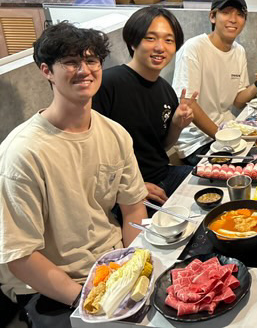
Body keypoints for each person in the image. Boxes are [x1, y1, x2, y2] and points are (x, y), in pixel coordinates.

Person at [0, 22, 147, 327]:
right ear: (47, 71)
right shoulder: (22, 153)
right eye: (70, 62)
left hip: (112, 265)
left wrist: (133, 267)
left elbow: (133, 209)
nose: (84, 70)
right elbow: (20, 257)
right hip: (50, 286)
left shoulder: (115, 134)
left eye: (91, 60)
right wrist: (88, 300)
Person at [93, 7, 196, 205]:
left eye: (169, 40)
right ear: (133, 42)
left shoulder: (166, 90)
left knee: (217, 188)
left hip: (164, 175)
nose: (160, 47)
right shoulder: (108, 84)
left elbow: (161, 147)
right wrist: (131, 187)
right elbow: (91, 153)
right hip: (124, 191)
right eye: (150, 38)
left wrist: (176, 124)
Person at [172, 0, 257, 165]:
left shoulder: (238, 51)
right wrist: (223, 136)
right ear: (212, 16)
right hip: (198, 142)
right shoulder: (194, 48)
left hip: (228, 133)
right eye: (226, 13)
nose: (233, 19)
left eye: (239, 14)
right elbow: (188, 103)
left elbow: (238, 101)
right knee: (255, 168)